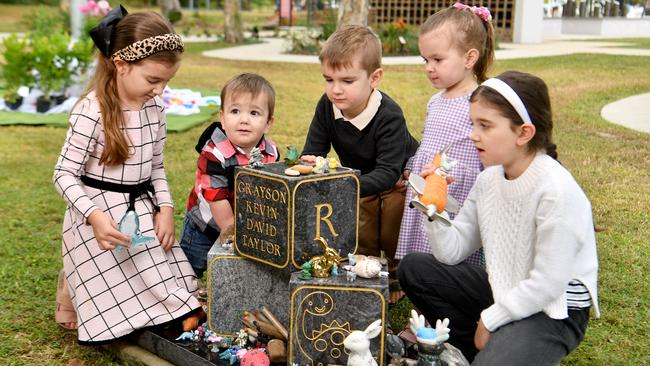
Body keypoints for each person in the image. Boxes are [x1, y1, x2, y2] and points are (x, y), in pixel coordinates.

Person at [398, 71, 600, 364]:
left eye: (485, 125)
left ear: (523, 133)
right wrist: (434, 209)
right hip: (506, 288)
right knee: (415, 268)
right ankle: (472, 351)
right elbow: (451, 252)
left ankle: (498, 348)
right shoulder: (490, 179)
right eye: (473, 123)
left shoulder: (556, 190)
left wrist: (491, 320)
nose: (473, 134)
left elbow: (549, 284)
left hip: (554, 309)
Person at [53, 7, 202, 343]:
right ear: (121, 65)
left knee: (180, 302)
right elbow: (63, 174)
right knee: (126, 314)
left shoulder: (155, 109)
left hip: (141, 212)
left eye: (167, 81)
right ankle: (75, 282)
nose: (160, 90)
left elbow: (156, 167)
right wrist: (94, 217)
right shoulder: (92, 111)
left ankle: (81, 284)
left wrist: (164, 209)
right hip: (99, 219)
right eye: (153, 80)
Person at [300, 25, 419, 303]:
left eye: (347, 81)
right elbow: (313, 151)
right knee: (362, 223)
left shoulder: (389, 114)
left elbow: (389, 173)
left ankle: (395, 271)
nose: (335, 89)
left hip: (398, 178)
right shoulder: (327, 106)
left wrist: (342, 184)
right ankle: (365, 268)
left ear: (374, 78)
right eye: (328, 79)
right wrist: (310, 165)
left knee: (391, 215)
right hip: (360, 176)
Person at [396, 2, 496, 271]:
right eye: (425, 60)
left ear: (469, 58)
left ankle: (446, 297)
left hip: (458, 189)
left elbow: (487, 153)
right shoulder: (435, 101)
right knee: (422, 247)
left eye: (438, 60)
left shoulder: (479, 101)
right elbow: (429, 144)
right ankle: (422, 304)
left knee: (448, 252)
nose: (429, 67)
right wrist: (411, 169)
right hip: (427, 186)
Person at [180, 73, 279, 278]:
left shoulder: (271, 153)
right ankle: (185, 301)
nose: (244, 119)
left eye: (254, 113)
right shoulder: (214, 154)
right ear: (223, 119)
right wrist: (233, 234)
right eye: (235, 111)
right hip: (205, 226)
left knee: (236, 274)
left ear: (268, 123)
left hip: (247, 226)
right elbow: (217, 198)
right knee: (188, 271)